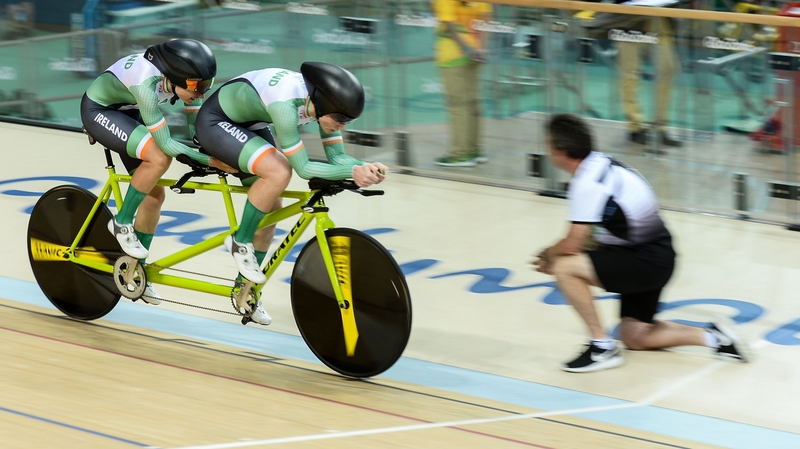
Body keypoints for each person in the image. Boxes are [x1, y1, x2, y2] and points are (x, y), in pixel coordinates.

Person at [532, 114, 747, 373]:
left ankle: (601, 347)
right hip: (657, 255)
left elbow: (571, 245)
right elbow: (597, 234)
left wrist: (548, 255)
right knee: (635, 336)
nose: (546, 150)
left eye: (549, 146)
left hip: (645, 260)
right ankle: (715, 338)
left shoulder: (586, 184)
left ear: (562, 152)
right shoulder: (601, 164)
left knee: (565, 267)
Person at [195, 62, 387, 325]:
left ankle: (245, 290)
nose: (342, 127)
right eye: (340, 120)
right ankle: (240, 241)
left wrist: (362, 168)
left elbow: (337, 157)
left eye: (348, 121)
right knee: (279, 172)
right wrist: (353, 173)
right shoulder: (286, 107)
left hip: (249, 123)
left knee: (273, 207)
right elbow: (304, 168)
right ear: (321, 105)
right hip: (216, 121)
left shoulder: (321, 105)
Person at [80, 38, 234, 305]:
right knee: (159, 158)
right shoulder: (146, 83)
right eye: (197, 86)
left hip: (129, 111)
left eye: (207, 85)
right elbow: (165, 145)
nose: (202, 92)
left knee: (154, 196)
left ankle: (134, 271)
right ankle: (121, 221)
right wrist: (210, 161)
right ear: (175, 77)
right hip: (100, 111)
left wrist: (214, 149)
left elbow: (196, 130)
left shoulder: (182, 83)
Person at [431, 0, 492, 167]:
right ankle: (474, 150)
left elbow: (449, 25)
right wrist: (481, 48)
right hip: (475, 53)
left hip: (453, 56)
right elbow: (486, 19)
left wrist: (466, 49)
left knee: (458, 106)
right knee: (471, 104)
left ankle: (459, 154)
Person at [615, 14, 682, 149]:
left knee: (667, 68)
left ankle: (659, 127)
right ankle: (635, 127)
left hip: (658, 16)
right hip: (627, 18)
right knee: (630, 73)